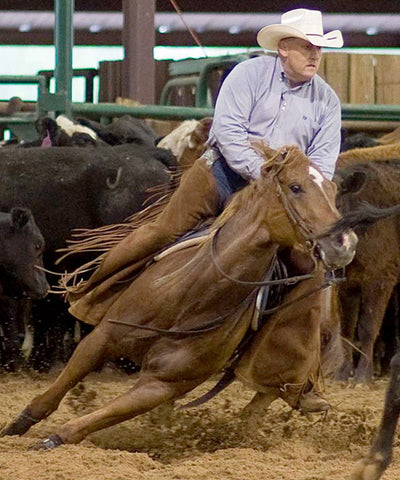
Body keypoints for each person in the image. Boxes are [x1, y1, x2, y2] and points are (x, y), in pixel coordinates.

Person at [66, 8, 343, 414]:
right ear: (283, 49)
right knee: (162, 232)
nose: (314, 54)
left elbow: (323, 165)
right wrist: (263, 177)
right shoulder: (247, 77)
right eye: (306, 46)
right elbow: (228, 134)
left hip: (285, 199)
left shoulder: (327, 101)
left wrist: (286, 191)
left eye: (318, 47)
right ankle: (93, 292)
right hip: (224, 175)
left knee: (310, 273)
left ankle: (300, 377)